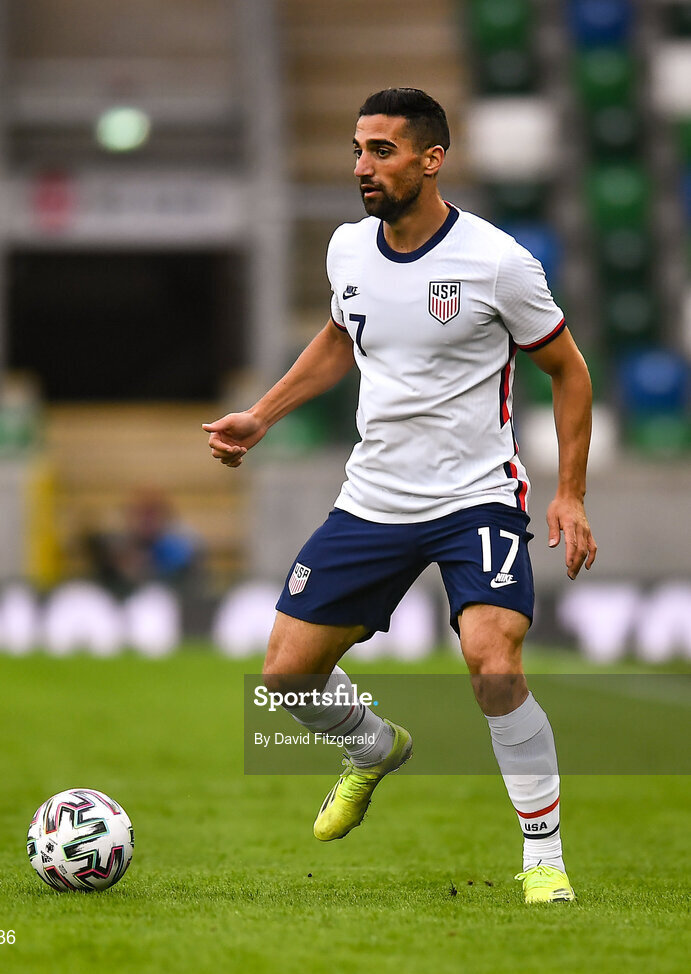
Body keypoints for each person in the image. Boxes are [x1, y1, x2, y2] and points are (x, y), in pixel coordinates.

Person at [203, 88, 596, 904]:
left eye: (381, 150)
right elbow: (342, 335)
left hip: (475, 497)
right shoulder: (348, 249)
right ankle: (372, 746)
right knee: (284, 678)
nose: (362, 167)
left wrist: (571, 496)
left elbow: (567, 370)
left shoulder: (496, 261)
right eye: (357, 149)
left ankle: (542, 859)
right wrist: (262, 416)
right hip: (374, 497)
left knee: (492, 665)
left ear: (430, 158)